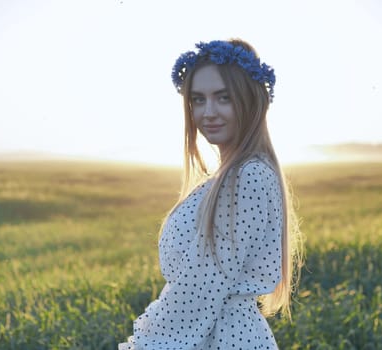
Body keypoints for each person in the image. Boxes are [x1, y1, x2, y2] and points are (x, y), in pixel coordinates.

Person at [119, 39, 303, 350]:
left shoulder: (248, 176)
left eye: (224, 98)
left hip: (223, 338)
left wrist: (145, 343)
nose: (209, 112)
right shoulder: (230, 175)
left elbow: (196, 290)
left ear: (250, 100)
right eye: (198, 99)